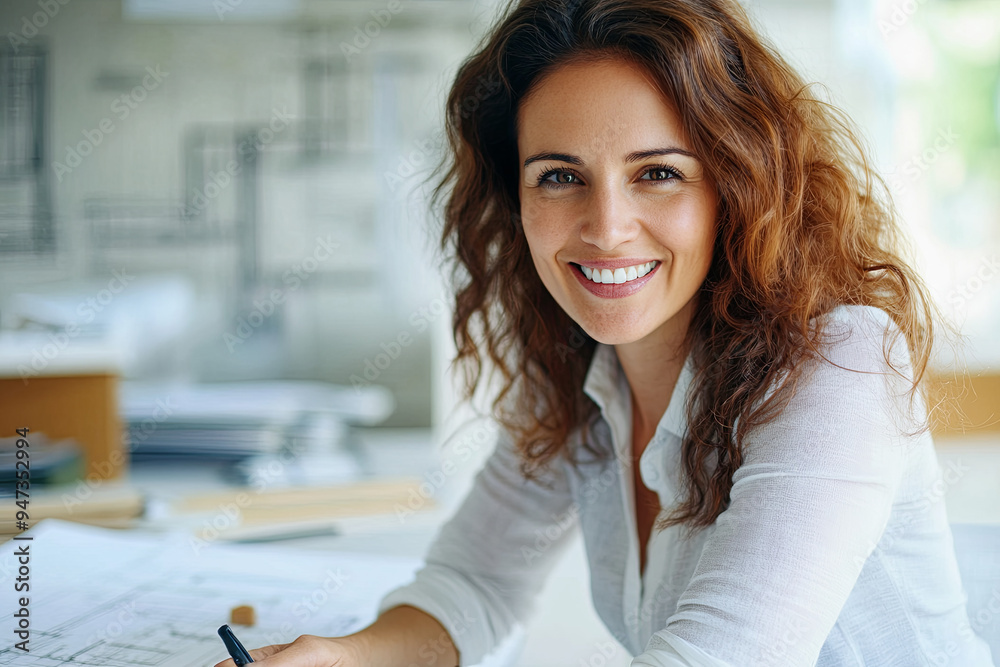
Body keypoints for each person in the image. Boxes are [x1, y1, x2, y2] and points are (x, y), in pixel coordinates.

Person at [215, 0, 996, 665]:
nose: (606, 228)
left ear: (735, 183)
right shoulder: (578, 367)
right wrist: (347, 654)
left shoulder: (840, 362)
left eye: (657, 172)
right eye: (559, 176)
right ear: (513, 198)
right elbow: (474, 583)